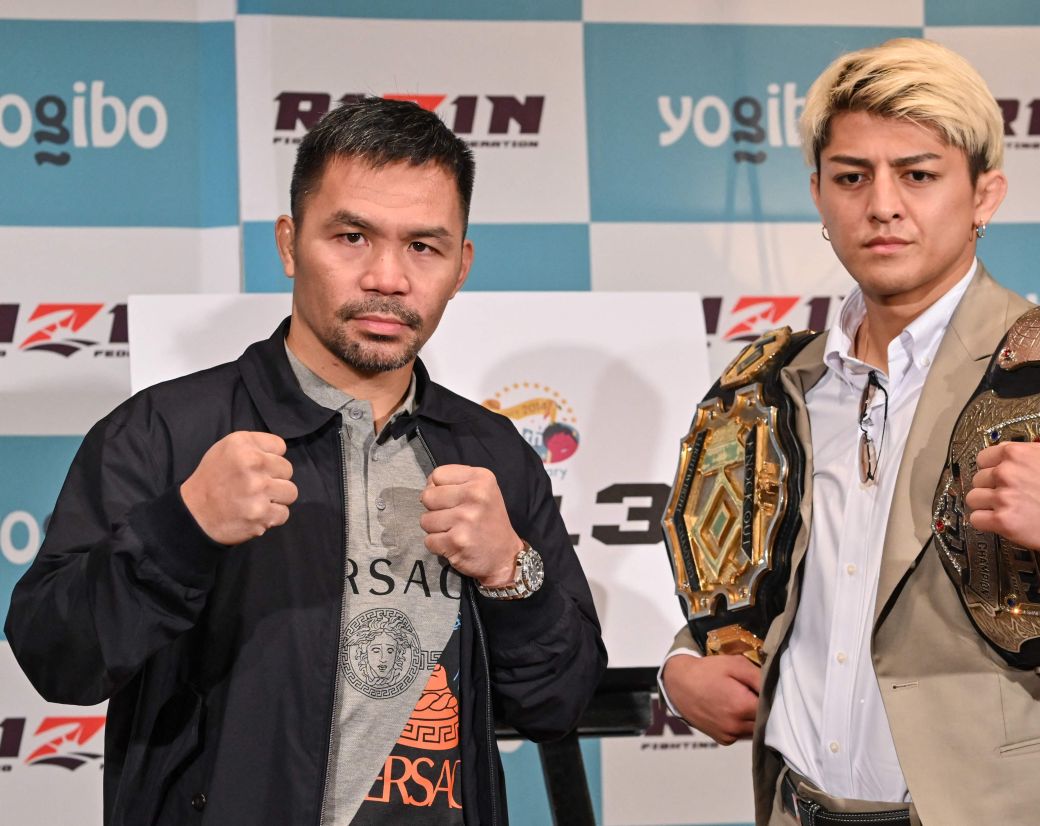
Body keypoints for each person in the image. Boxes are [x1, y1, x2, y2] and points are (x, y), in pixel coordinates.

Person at [660, 38, 1040, 826]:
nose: (883, 205)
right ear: (818, 194)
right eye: (852, 177)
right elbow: (800, 582)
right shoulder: (777, 382)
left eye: (919, 175)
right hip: (799, 807)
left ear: (984, 195)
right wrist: (683, 661)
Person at [5, 97, 606, 825]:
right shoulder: (167, 430)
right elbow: (56, 660)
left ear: (461, 266)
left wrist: (513, 574)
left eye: (424, 246)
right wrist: (182, 529)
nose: (388, 277)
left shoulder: (491, 451)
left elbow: (558, 704)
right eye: (352, 237)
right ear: (290, 244)